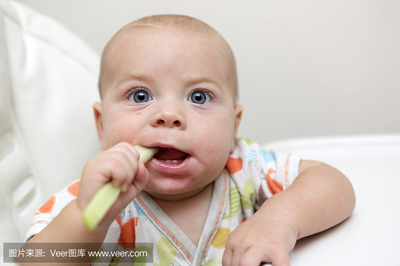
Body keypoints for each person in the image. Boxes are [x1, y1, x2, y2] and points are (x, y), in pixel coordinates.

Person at [23, 14, 356, 266]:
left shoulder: (244, 169)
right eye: (140, 95)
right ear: (101, 126)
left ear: (233, 128)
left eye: (198, 97)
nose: (168, 114)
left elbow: (334, 184)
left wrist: (279, 219)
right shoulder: (93, 198)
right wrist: (86, 221)